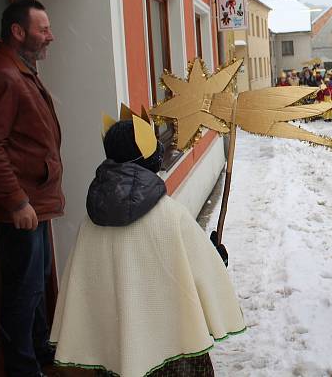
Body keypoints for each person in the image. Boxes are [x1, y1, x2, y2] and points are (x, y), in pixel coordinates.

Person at [49, 115, 246, 376]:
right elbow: (203, 273)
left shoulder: (92, 221)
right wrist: (217, 258)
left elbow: (84, 285)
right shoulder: (170, 216)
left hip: (116, 352)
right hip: (173, 353)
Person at [0, 0, 62, 376]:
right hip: (21, 210)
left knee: (36, 286)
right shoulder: (2, 75)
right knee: (23, 294)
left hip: (35, 204)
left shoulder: (20, 69)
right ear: (18, 32)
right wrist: (17, 201)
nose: (50, 36)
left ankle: (39, 354)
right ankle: (24, 369)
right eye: (43, 29)